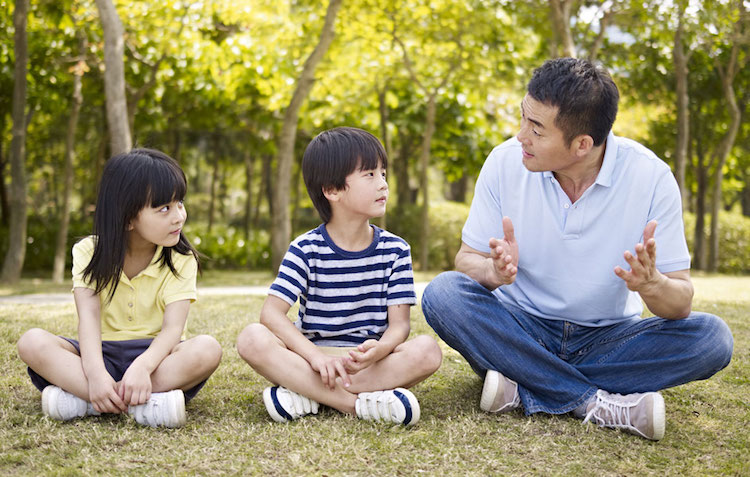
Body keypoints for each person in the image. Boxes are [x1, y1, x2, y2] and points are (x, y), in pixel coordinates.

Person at [421, 58, 733, 441]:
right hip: (520, 328)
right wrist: (492, 273)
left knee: (712, 338)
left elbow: (680, 303)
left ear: (582, 145)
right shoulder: (504, 163)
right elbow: (465, 261)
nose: (521, 136)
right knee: (442, 293)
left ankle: (525, 386)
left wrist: (652, 284)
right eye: (523, 119)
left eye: (536, 129)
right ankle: (593, 403)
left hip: (608, 339)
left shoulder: (651, 178)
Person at [237, 127, 442, 426]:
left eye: (383, 173)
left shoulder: (396, 250)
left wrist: (380, 350)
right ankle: (356, 405)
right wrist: (315, 358)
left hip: (367, 363)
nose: (383, 184)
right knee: (251, 338)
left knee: (427, 351)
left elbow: (400, 326)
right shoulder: (305, 248)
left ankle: (305, 393)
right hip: (312, 358)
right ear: (332, 190)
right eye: (370, 175)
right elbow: (271, 314)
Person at [17, 148, 222, 428]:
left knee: (207, 349)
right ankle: (137, 402)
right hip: (101, 352)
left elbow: (173, 330)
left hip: (157, 360)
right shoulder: (88, 251)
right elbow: (88, 319)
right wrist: (96, 373)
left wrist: (143, 367)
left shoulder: (181, 259)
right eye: (164, 208)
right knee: (31, 342)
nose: (179, 216)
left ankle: (89, 402)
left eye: (180, 203)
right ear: (127, 218)